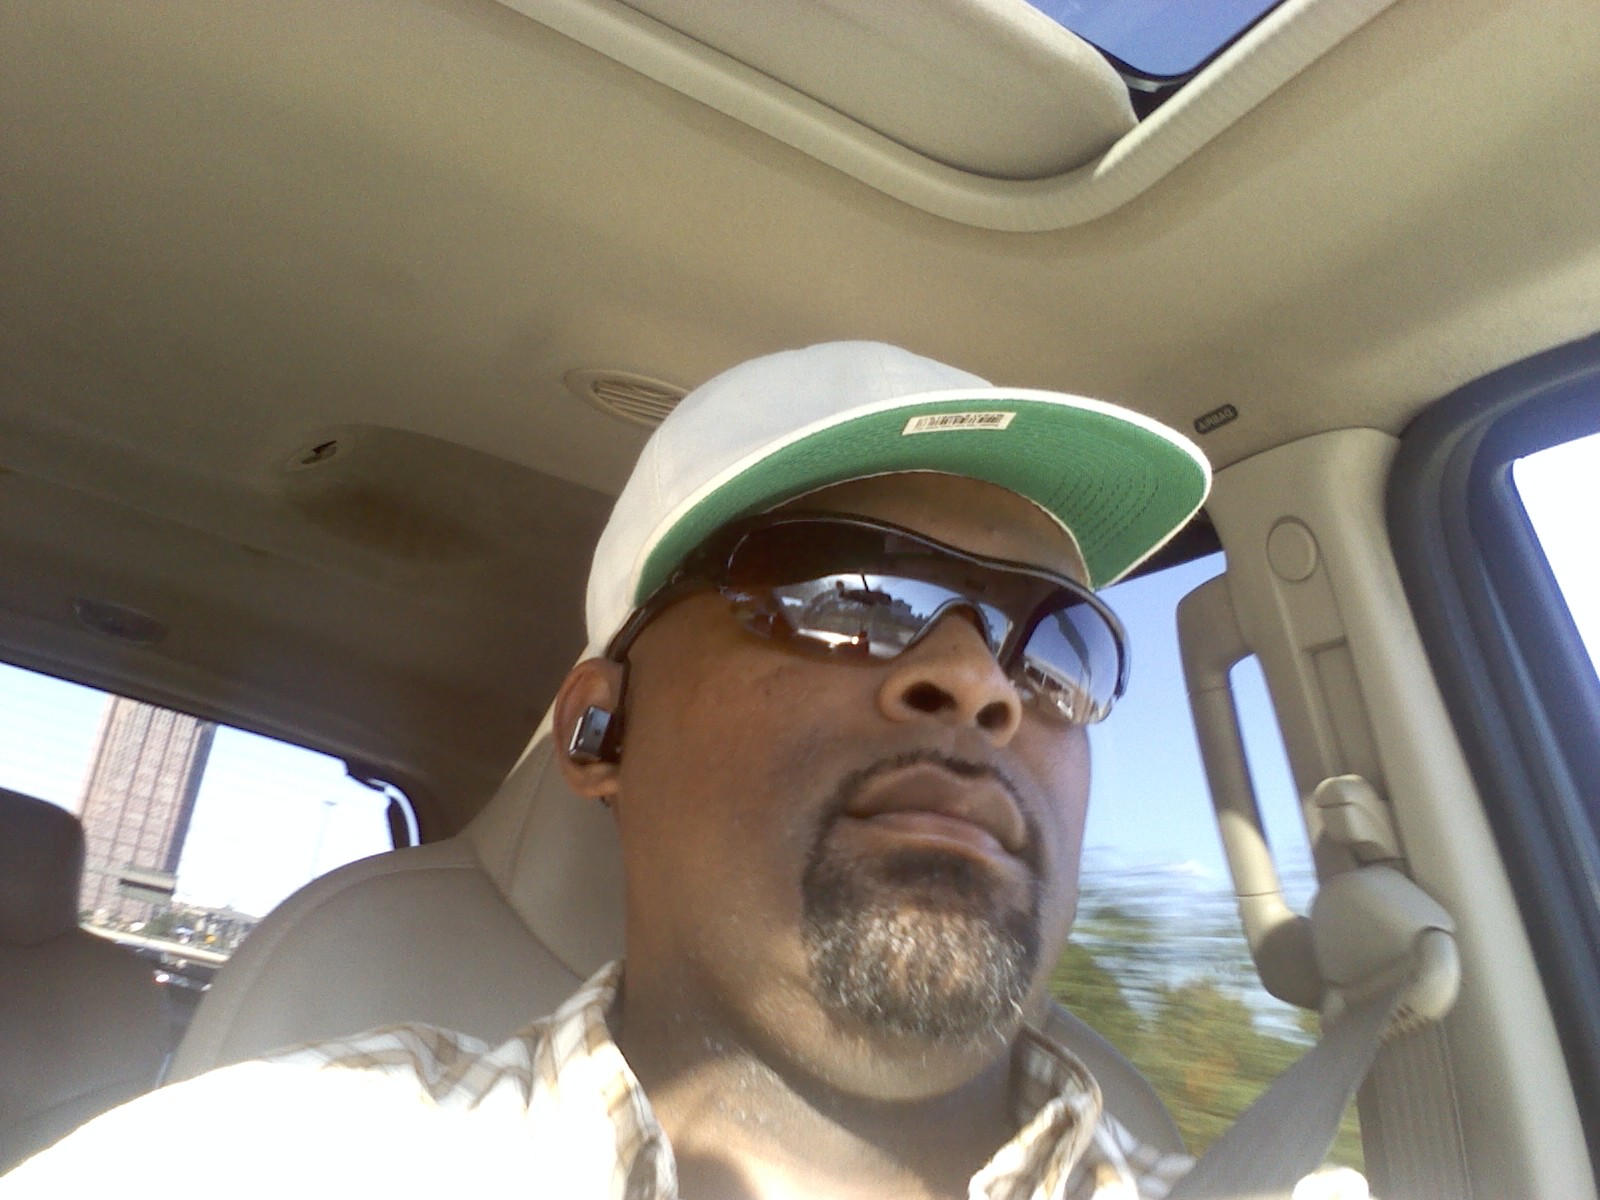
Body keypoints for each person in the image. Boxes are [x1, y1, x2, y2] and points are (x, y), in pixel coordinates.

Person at [2, 341, 1213, 1198]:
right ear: (600, 728)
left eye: (1058, 644)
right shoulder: (278, 1161)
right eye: (853, 594)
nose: (983, 682)